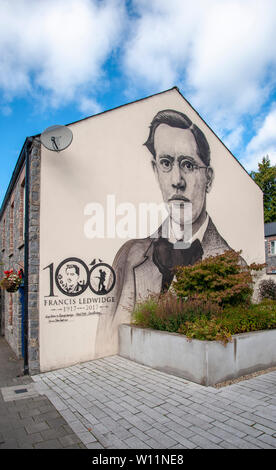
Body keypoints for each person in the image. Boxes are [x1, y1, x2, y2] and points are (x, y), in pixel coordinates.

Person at [94, 109, 233, 357]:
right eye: (166, 163)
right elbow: (102, 344)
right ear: (156, 170)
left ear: (208, 178)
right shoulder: (129, 255)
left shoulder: (234, 264)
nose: (176, 180)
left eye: (188, 165)